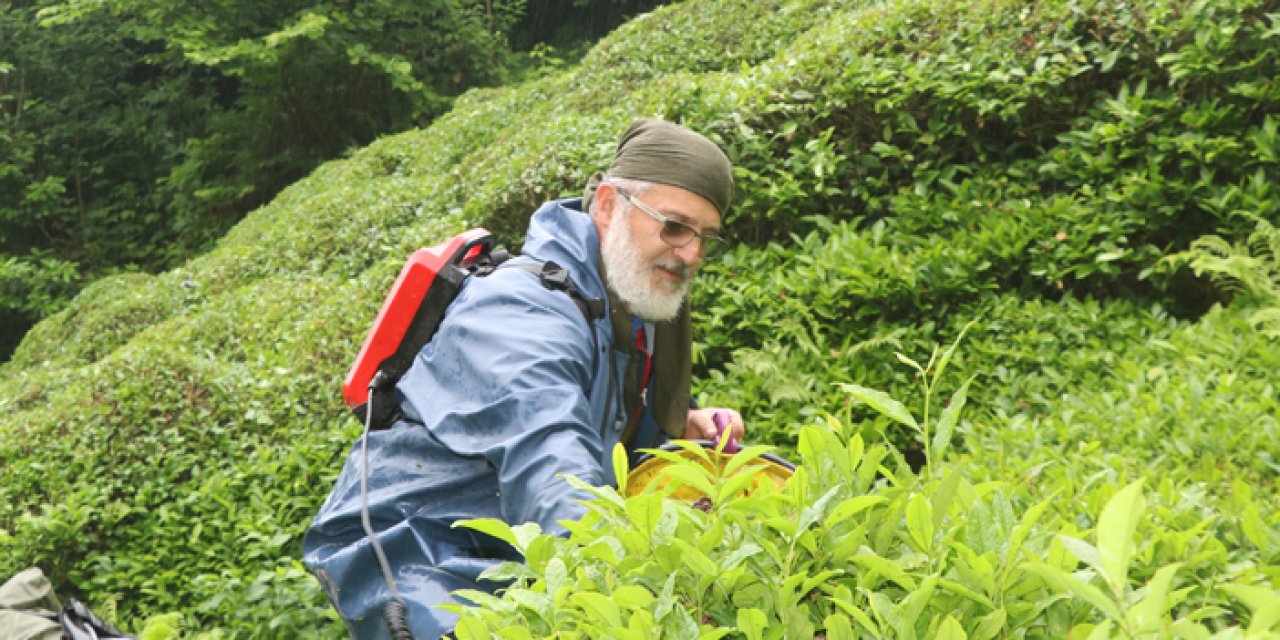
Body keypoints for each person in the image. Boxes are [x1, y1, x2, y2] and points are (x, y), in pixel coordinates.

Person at [303, 118, 745, 638]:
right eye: (673, 226)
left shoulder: (625, 304)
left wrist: (683, 426)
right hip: (419, 549)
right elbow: (551, 455)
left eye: (704, 237)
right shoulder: (520, 311)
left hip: (515, 543)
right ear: (606, 206)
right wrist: (626, 589)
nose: (691, 253)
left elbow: (605, 422)